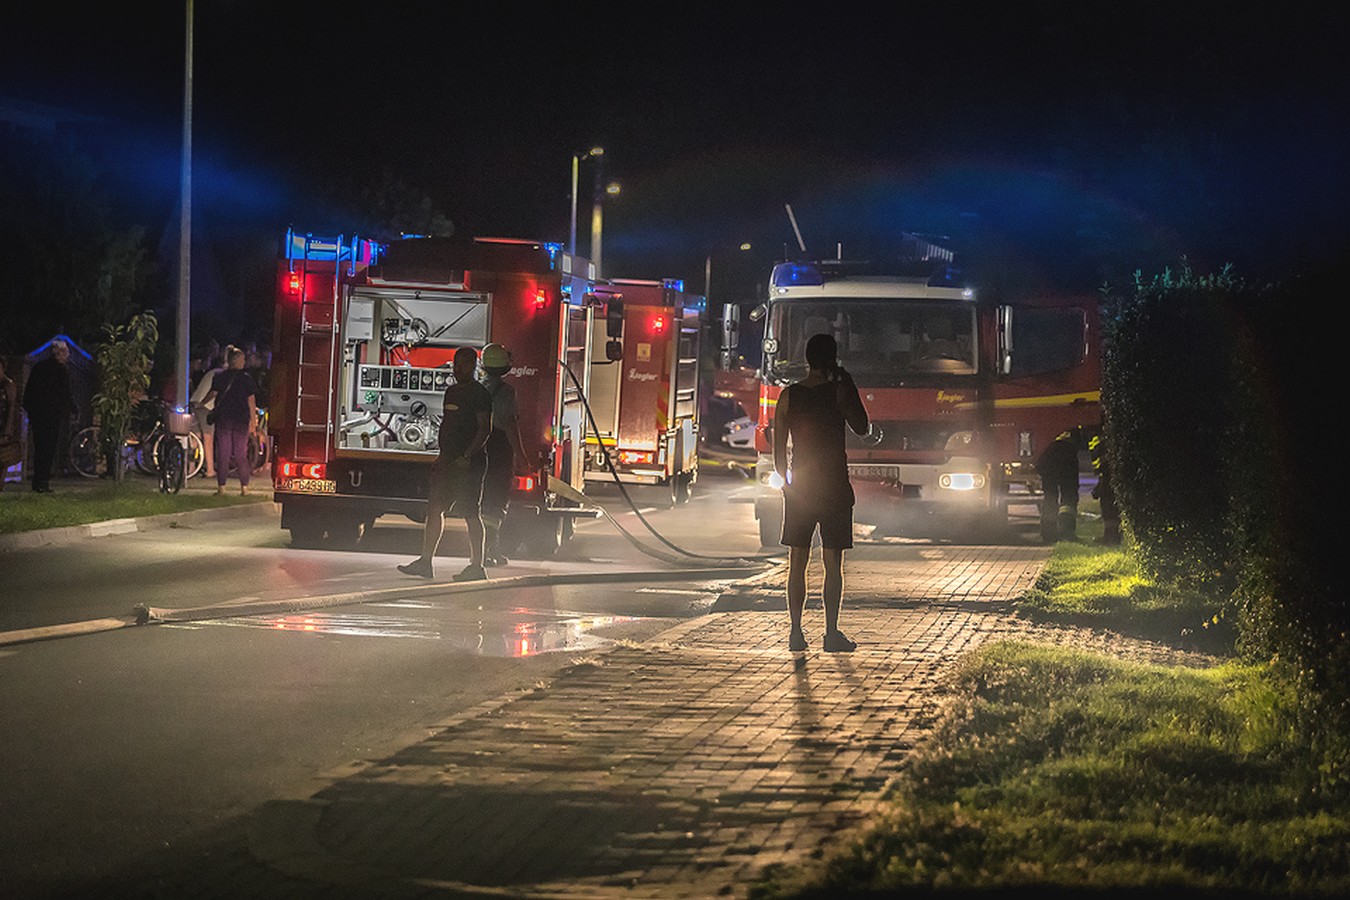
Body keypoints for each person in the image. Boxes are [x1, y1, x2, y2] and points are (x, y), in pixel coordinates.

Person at [773, 333, 870, 652]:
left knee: (796, 561)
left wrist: (787, 482)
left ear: (807, 359)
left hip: (800, 487)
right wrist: (849, 384)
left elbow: (777, 451)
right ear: (832, 360)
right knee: (833, 563)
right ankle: (831, 633)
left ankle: (796, 632)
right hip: (834, 487)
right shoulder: (839, 392)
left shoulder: (788, 396)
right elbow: (862, 427)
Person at [399, 346, 493, 582]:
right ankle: (425, 562)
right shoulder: (451, 392)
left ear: (473, 366)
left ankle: (477, 566)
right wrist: (442, 457)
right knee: (434, 509)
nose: (457, 368)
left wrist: (467, 456)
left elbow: (484, 429)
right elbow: (448, 426)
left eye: (463, 364)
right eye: (455, 363)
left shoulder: (480, 394)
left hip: (469, 464)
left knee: (471, 512)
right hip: (448, 461)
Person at [478, 342, 528, 567]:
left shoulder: (477, 388)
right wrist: (521, 455)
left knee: (483, 499)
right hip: (499, 449)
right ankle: (490, 550)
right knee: (496, 500)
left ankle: (484, 551)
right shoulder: (507, 392)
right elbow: (510, 426)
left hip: (479, 447)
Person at [202, 345, 259, 496]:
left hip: (224, 419)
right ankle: (244, 488)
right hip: (241, 420)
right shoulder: (246, 379)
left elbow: (213, 393)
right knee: (241, 453)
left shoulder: (220, 377)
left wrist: (201, 403)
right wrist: (253, 422)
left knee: (223, 453)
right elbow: (251, 401)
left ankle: (222, 487)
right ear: (239, 361)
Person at [21, 338, 77, 493]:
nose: (67, 355)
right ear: (59, 353)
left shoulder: (39, 367)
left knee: (39, 447)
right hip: (52, 415)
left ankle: (37, 481)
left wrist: (30, 410)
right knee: (49, 447)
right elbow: (66, 393)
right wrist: (72, 409)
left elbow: (29, 391)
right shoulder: (61, 370)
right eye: (65, 352)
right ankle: (43, 481)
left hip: (38, 415)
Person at [1036, 427, 1083, 543]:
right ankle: (1066, 532)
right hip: (1067, 452)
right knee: (1069, 495)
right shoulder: (1070, 426)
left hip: (1046, 454)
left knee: (1050, 496)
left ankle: (1048, 534)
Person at [190, 349, 226, 478]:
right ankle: (210, 469)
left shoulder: (211, 373)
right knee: (208, 438)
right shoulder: (220, 374)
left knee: (195, 437)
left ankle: (191, 467)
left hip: (194, 402)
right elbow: (214, 392)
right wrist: (204, 403)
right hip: (205, 407)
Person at [0, 358, 21, 486]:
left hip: (2, 425)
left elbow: (12, 407)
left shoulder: (8, 385)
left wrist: (8, 430)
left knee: (2, 458)